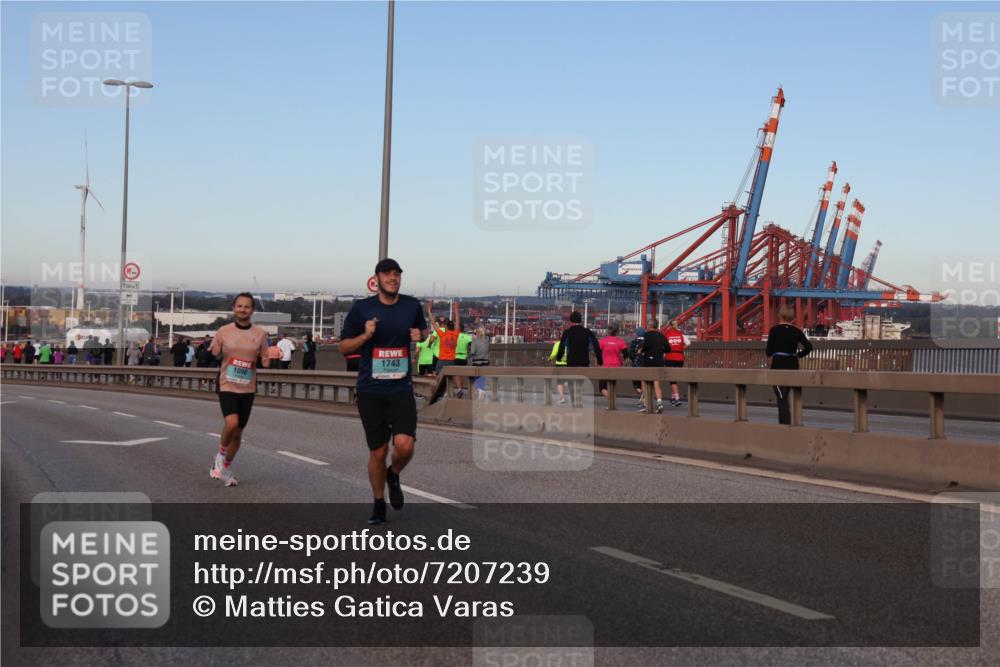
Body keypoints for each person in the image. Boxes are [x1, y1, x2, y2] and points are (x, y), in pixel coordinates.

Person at [340, 258, 426, 526]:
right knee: (378, 451)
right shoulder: (362, 309)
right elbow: (344, 347)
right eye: (387, 274)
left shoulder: (412, 305)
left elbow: (423, 331)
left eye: (397, 274)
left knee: (405, 445)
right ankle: (378, 504)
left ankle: (394, 473)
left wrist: (420, 336)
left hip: (400, 388)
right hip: (370, 390)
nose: (393, 278)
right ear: (376, 278)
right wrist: (365, 336)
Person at [209, 292, 271, 487]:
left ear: (252, 310)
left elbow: (265, 359)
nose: (243, 310)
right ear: (234, 308)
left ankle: (225, 467)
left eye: (247, 306)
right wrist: (213, 351)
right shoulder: (223, 331)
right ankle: (219, 455)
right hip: (227, 383)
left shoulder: (260, 334)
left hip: (248, 387)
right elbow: (214, 352)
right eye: (239, 306)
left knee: (238, 434)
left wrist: (270, 358)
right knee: (232, 423)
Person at [765, 305, 813, 425]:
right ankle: (791, 422)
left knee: (782, 397)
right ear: (792, 318)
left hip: (778, 365)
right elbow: (809, 347)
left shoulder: (774, 330)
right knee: (787, 395)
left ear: (780, 316)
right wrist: (799, 355)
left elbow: (768, 352)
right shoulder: (797, 331)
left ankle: (785, 425)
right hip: (792, 365)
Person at [428, 305, 462, 397]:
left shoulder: (442, 334)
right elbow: (458, 322)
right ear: (453, 327)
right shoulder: (456, 334)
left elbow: (433, 323)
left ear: (446, 327)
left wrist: (429, 311)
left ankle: (441, 391)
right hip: (451, 359)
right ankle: (453, 390)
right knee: (451, 376)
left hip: (442, 359)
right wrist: (456, 309)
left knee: (438, 376)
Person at [637, 319, 668, 413]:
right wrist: (660, 351)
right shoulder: (662, 336)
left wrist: (640, 351)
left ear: (649, 326)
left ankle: (647, 404)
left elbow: (645, 346)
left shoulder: (647, 335)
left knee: (645, 382)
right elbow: (668, 348)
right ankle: (659, 403)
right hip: (659, 362)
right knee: (656, 382)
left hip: (648, 362)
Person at [662, 319, 691, 407]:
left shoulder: (666, 335)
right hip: (680, 358)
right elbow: (689, 343)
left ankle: (677, 398)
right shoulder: (680, 334)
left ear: (669, 325)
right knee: (674, 378)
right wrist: (682, 348)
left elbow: (663, 346)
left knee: (672, 379)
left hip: (670, 357)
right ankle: (673, 397)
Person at [597, 323, 629, 404]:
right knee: (612, 386)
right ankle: (611, 404)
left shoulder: (602, 341)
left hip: (605, 366)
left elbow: (598, 354)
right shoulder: (620, 342)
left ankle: (611, 401)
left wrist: (599, 362)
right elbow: (626, 354)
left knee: (602, 388)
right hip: (616, 366)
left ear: (608, 331)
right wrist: (622, 360)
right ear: (617, 331)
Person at [469, 327, 491, 399]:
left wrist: (469, 356)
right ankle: (481, 390)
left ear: (477, 333)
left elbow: (472, 352)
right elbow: (488, 333)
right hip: (485, 361)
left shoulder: (474, 340)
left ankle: (480, 390)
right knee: (482, 376)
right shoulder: (487, 339)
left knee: (477, 376)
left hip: (476, 361)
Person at [548, 338, 569, 404]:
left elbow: (554, 354)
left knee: (559, 382)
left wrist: (549, 359)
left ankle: (562, 398)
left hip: (560, 364)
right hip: (569, 365)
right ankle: (567, 382)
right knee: (565, 380)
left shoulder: (558, 344)